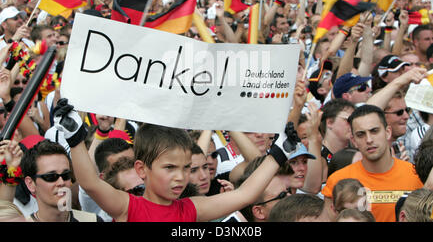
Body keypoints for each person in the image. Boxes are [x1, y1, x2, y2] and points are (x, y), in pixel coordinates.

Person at [53, 98, 300, 222]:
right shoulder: (128, 207)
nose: (180, 177)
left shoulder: (191, 208)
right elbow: (90, 182)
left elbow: (244, 195)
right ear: (142, 169)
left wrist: (279, 153)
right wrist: (75, 138)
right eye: (169, 168)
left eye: (185, 168)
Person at [322, 104, 424, 222]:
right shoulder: (337, 181)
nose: (369, 140)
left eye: (374, 131)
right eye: (361, 134)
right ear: (353, 140)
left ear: (388, 132)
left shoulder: (416, 175)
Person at [20, 140, 103, 222]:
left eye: (65, 175)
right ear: (30, 184)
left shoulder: (93, 220)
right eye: (51, 177)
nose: (61, 182)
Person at [319, 98, 355, 181]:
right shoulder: (316, 156)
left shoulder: (356, 153)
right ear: (330, 122)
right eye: (348, 120)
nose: (353, 124)